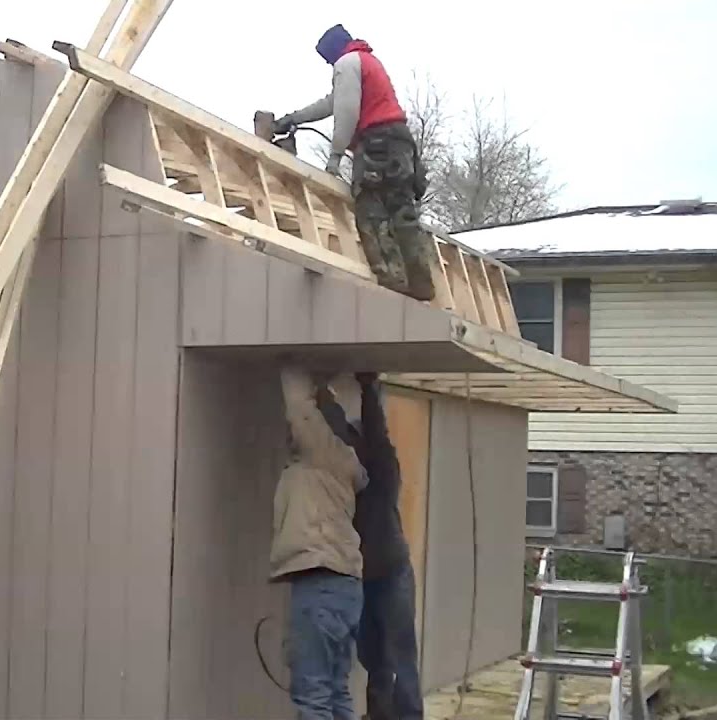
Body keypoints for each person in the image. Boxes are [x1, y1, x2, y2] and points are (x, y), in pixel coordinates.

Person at [272, 24, 438, 303]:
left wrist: (335, 156)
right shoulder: (365, 61)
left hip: (377, 145)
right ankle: (422, 284)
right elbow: (333, 103)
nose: (328, 64)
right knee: (402, 210)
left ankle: (393, 284)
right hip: (399, 143)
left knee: (371, 211)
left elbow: (346, 112)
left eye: (327, 59)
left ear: (333, 52)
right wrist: (294, 118)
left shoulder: (347, 63)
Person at [317, 372, 423, 720]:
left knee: (401, 653)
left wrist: (367, 387)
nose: (353, 445)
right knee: (373, 656)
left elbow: (375, 434)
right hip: (361, 574)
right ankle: (379, 714)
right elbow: (335, 432)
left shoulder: (382, 470)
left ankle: (408, 716)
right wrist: (321, 395)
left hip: (391, 571)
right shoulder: (344, 473)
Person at [272, 365, 369, 720]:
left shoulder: (321, 451)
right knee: (334, 690)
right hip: (343, 587)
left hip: (320, 583)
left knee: (312, 697)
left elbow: (299, 405)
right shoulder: (337, 464)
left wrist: (291, 359)